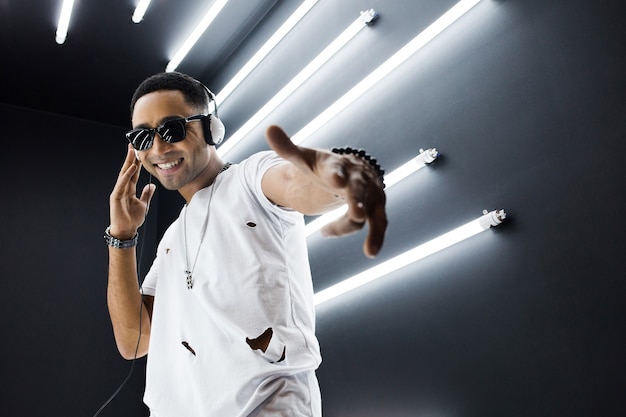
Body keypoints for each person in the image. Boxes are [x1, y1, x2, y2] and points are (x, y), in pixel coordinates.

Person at [105, 71, 387, 416]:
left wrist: (347, 177)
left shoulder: (250, 180)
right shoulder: (173, 237)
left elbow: (294, 182)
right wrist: (121, 236)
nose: (159, 148)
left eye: (172, 129)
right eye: (143, 137)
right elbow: (134, 339)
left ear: (212, 129)